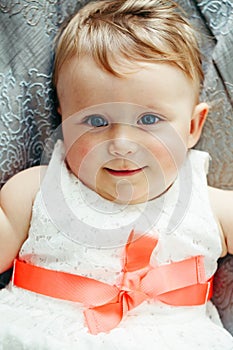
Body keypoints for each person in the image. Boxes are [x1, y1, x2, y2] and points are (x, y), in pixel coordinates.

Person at [0, 0, 232, 348]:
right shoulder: (35, 191)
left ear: (192, 126)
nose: (122, 144)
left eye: (149, 120)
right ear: (63, 119)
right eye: (96, 121)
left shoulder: (210, 205)